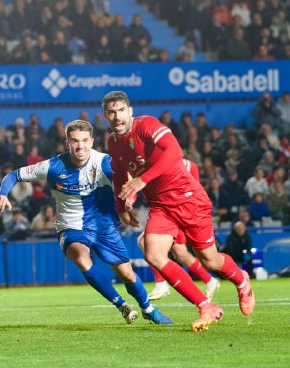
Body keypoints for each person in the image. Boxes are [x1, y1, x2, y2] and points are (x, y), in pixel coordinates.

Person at [103, 91, 254, 332]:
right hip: (161, 206)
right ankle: (206, 306)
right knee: (153, 254)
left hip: (188, 199)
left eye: (121, 110)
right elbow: (120, 173)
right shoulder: (113, 142)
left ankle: (241, 279)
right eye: (111, 112)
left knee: (210, 259)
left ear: (130, 111)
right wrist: (121, 208)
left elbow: (175, 152)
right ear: (105, 116)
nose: (117, 117)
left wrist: (142, 180)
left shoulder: (147, 125)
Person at [0, 120, 172, 326]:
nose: (80, 146)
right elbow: (13, 175)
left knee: (126, 273)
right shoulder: (52, 166)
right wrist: (2, 193)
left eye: (84, 141)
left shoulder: (105, 163)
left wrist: (129, 203)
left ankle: (148, 309)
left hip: (103, 226)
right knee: (81, 257)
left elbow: (127, 181)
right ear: (67, 142)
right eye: (75, 141)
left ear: (92, 141)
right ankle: (122, 305)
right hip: (70, 226)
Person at [140, 158, 220, 301]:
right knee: (181, 255)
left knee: (144, 242)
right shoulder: (161, 164)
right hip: (171, 212)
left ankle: (161, 283)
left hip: (181, 212)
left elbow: (194, 188)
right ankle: (210, 280)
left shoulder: (188, 165)